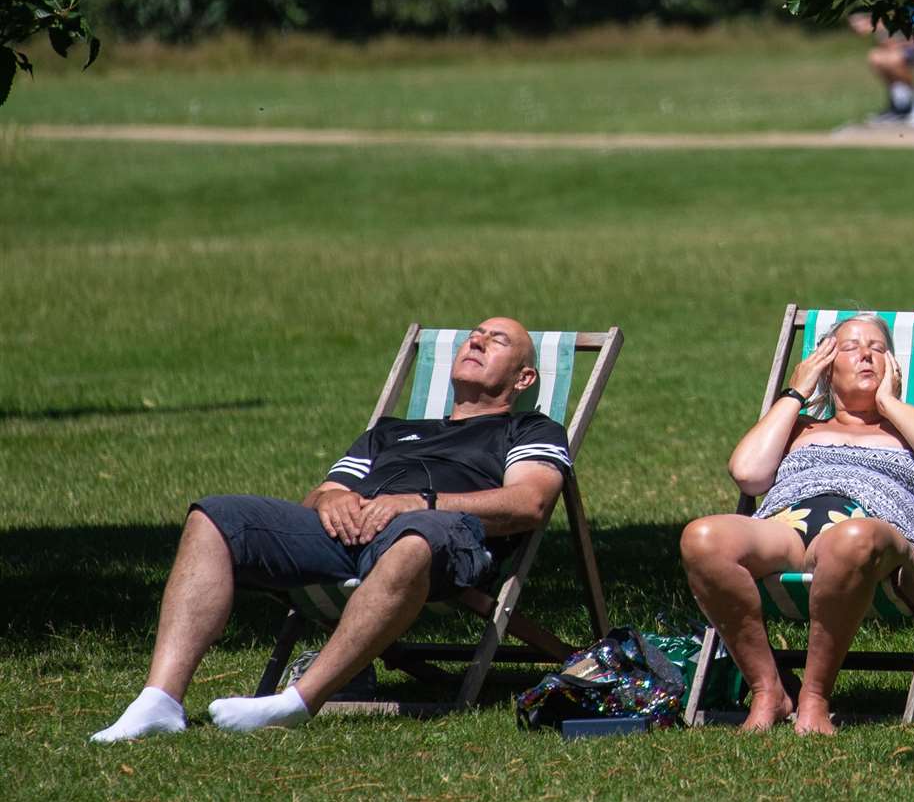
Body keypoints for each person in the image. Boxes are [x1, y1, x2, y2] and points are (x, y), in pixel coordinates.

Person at [90, 317, 570, 742]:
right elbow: (319, 496)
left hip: (439, 537)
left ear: (524, 377)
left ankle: (299, 701)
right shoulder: (389, 431)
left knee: (413, 537)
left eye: (497, 340)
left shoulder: (530, 430)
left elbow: (530, 502)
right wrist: (334, 498)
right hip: (351, 534)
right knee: (214, 516)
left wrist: (419, 503)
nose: (478, 342)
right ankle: (159, 701)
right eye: (474, 336)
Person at [680, 313, 914, 734]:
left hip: (879, 534)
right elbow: (747, 473)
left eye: (877, 348)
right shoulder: (799, 428)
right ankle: (768, 691)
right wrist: (797, 391)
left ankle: (815, 697)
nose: (866, 354)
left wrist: (888, 404)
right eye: (849, 347)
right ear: (826, 367)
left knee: (850, 539)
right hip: (789, 527)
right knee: (702, 538)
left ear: (894, 366)